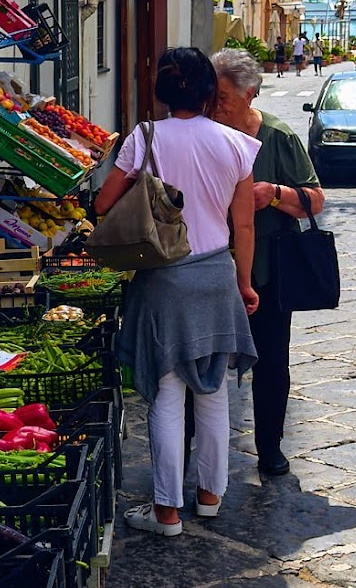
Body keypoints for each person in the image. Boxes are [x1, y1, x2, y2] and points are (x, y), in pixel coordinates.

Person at [95, 48, 260, 536]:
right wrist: (245, 284)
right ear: (211, 91)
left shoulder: (144, 138)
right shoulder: (236, 144)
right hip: (216, 278)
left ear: (160, 90)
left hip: (163, 278)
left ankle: (166, 511)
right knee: (212, 393)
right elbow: (244, 224)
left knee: (166, 397)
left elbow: (105, 202)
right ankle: (210, 497)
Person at [213, 48, 325, 476]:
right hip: (214, 264)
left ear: (250, 94)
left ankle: (270, 446)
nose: (217, 105)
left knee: (273, 361)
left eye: (224, 96)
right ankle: (198, 448)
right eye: (213, 96)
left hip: (269, 270)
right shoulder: (205, 134)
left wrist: (273, 193)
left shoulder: (278, 138)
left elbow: (314, 199)